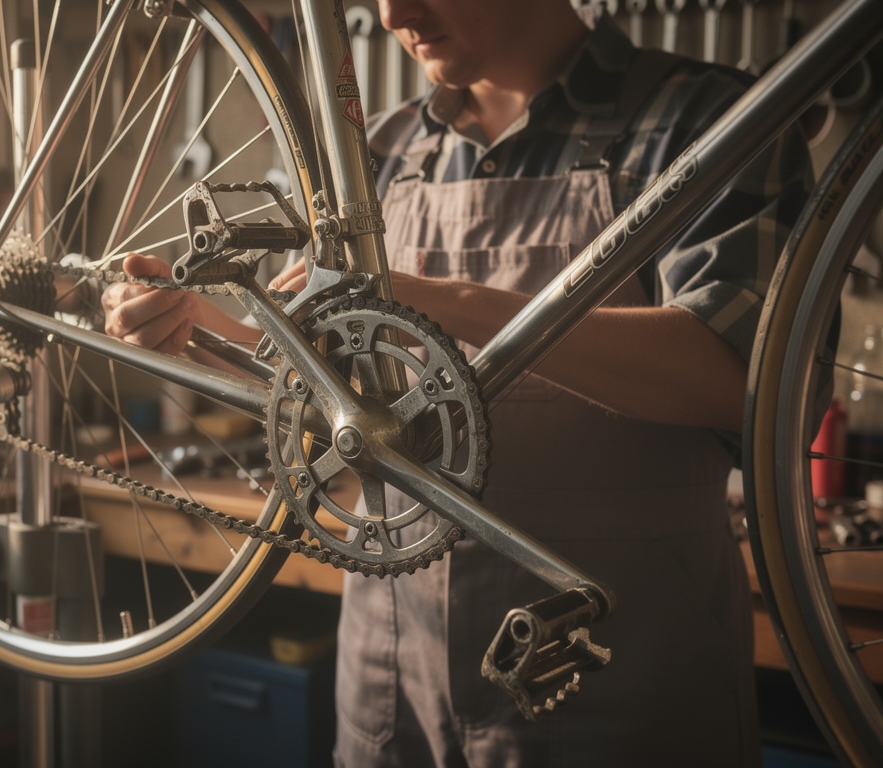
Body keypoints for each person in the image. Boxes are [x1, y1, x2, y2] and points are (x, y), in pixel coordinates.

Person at [102, 1, 813, 765]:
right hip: (392, 677)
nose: (392, 13)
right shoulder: (378, 148)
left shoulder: (712, 122)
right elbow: (332, 397)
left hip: (617, 675)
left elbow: (742, 376)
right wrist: (196, 332)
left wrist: (440, 298)